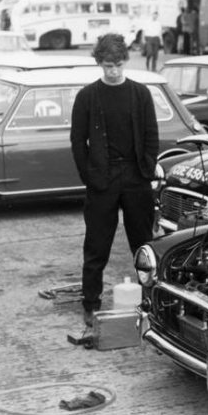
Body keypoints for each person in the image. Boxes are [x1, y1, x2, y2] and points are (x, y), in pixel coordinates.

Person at [70, 33, 158, 327]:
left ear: (125, 62)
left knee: (144, 245)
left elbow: (151, 136)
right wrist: (90, 178)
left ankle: (152, 301)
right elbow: (76, 141)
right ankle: (91, 304)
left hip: (136, 178)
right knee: (96, 246)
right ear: (99, 63)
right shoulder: (87, 97)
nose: (113, 71)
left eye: (118, 65)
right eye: (108, 65)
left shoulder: (141, 94)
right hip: (102, 181)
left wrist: (146, 171)